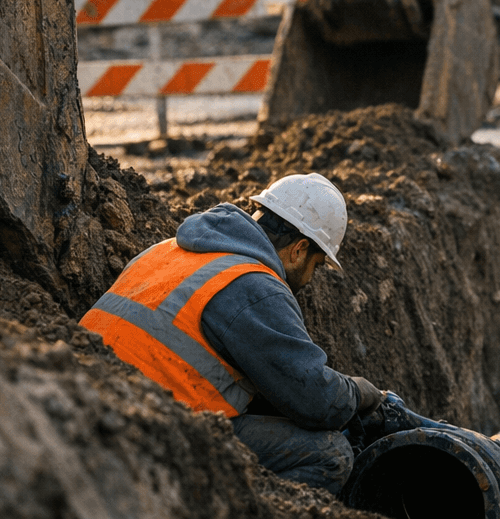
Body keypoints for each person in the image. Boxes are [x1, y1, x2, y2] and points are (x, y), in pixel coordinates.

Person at [82, 172, 385, 494]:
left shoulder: (166, 251)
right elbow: (315, 402)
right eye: (317, 264)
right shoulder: (255, 286)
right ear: (299, 250)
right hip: (144, 432)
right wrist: (358, 393)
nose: (311, 278)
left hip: (77, 399)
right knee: (329, 453)